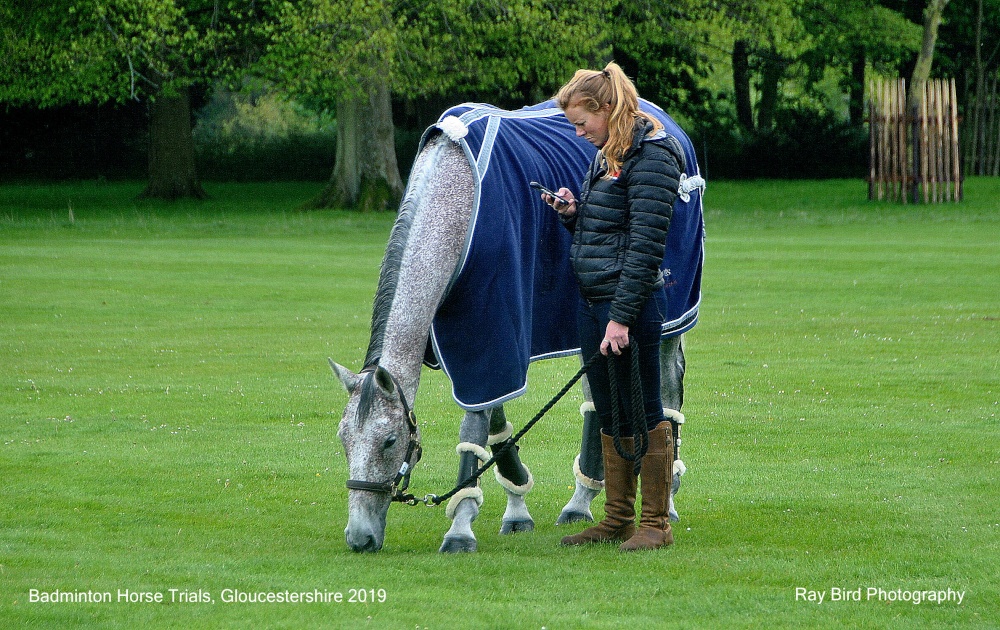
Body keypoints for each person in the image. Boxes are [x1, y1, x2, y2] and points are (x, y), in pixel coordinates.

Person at [540, 62, 683, 551]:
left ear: (606, 109)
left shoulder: (654, 154)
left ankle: (655, 524)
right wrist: (572, 214)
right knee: (608, 408)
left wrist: (621, 318)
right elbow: (609, 230)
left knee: (643, 409)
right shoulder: (609, 153)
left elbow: (645, 245)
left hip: (631, 307)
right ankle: (618, 518)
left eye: (583, 122)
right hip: (594, 301)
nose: (579, 133)